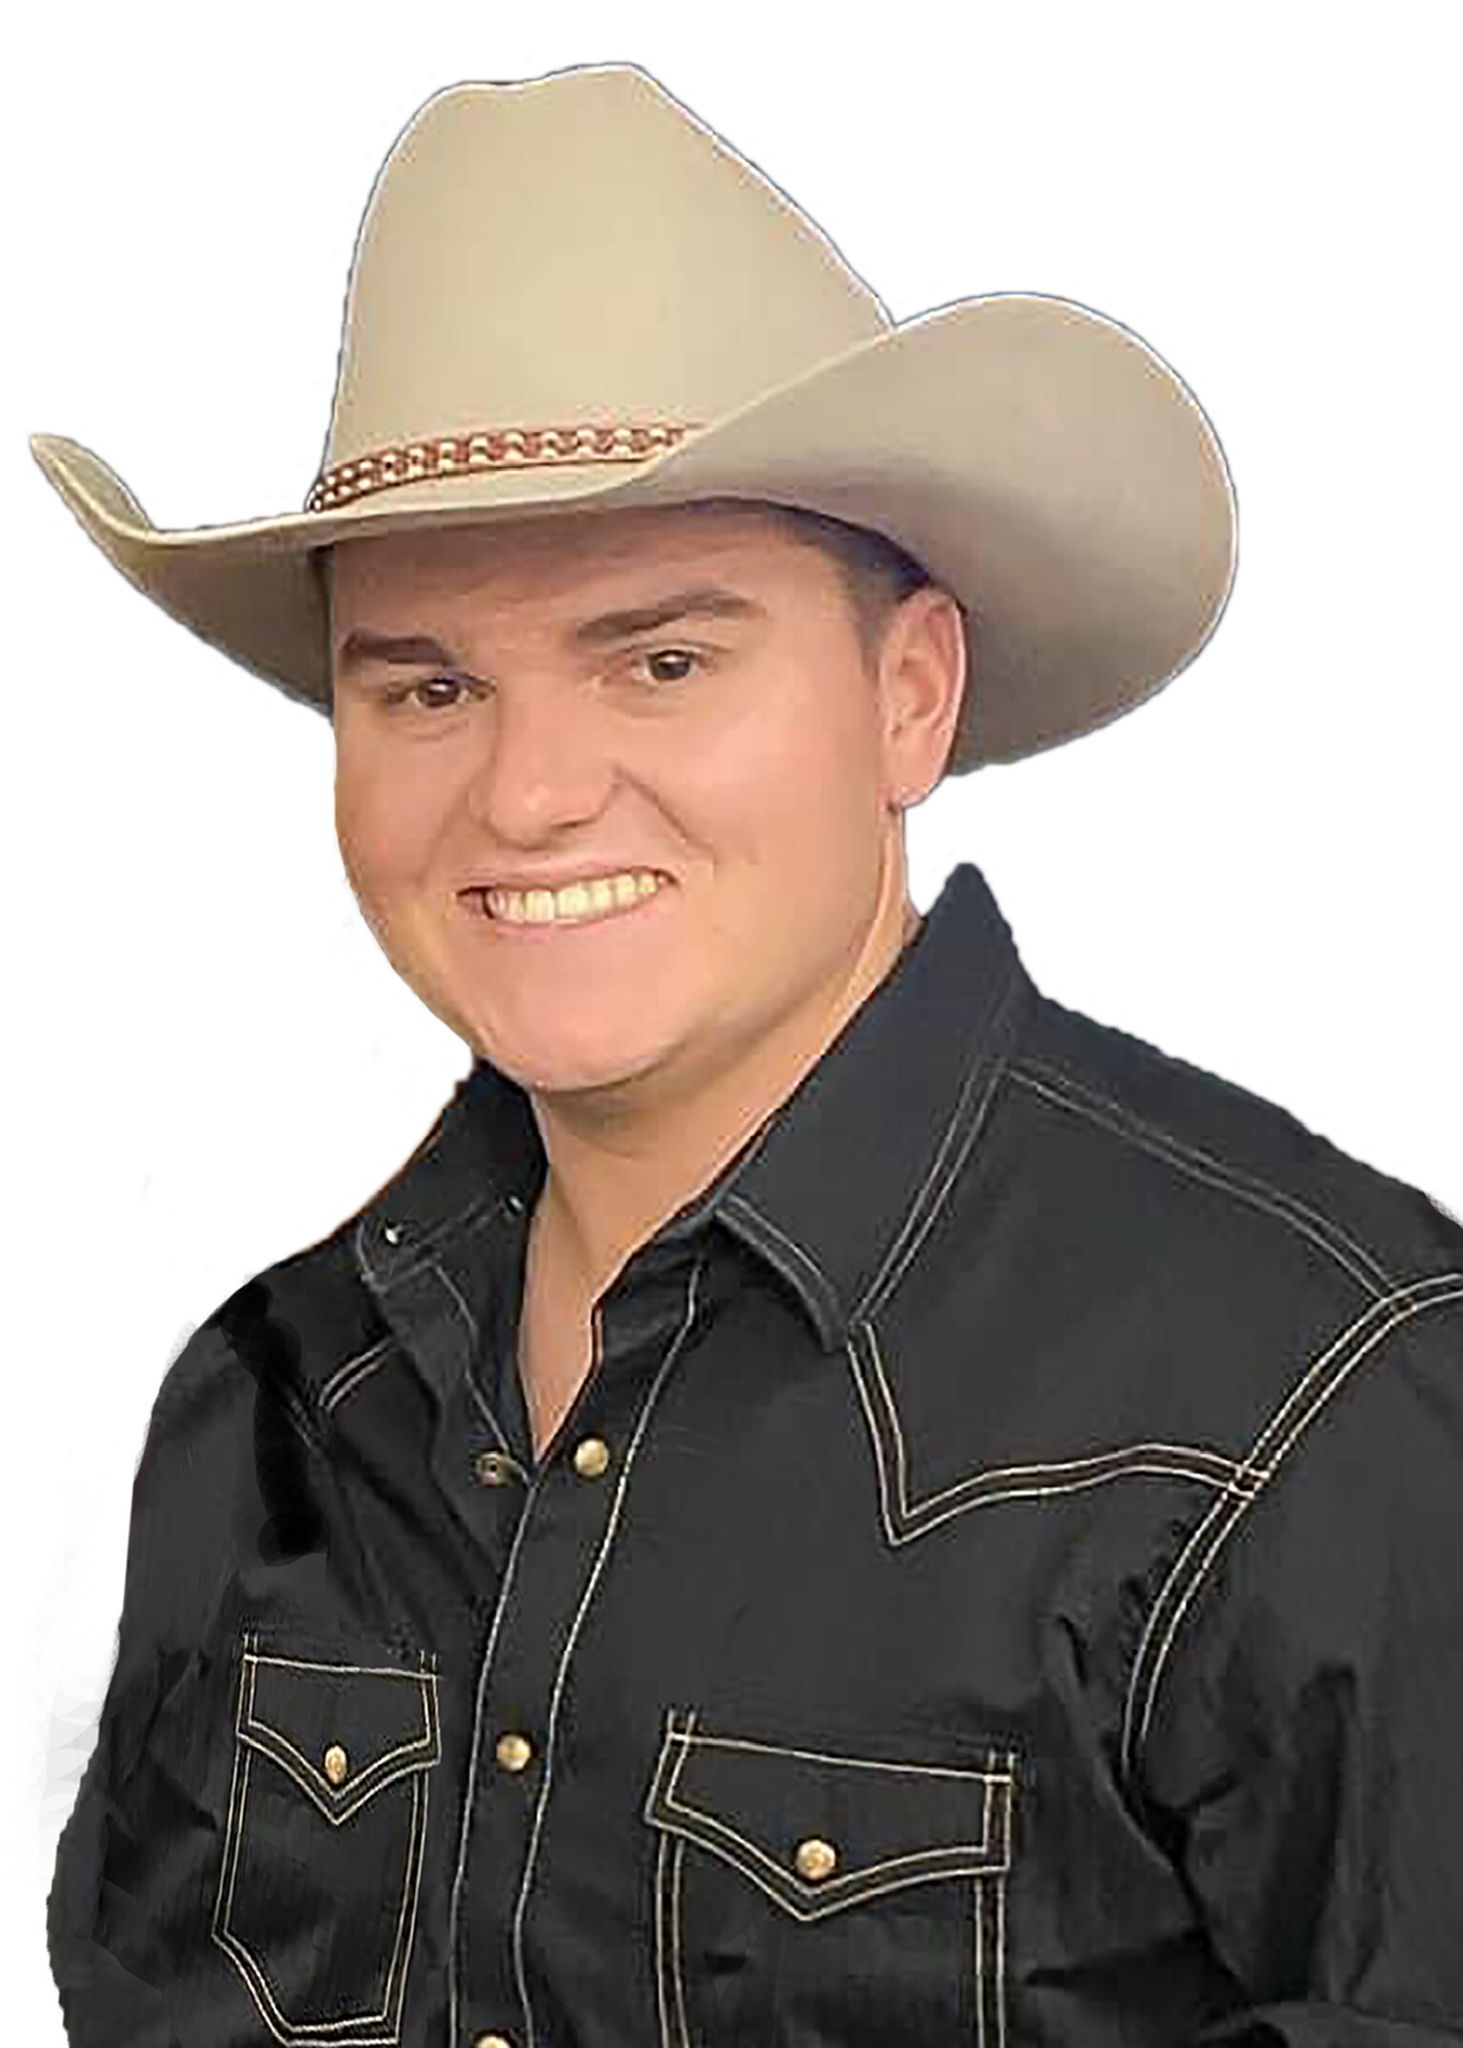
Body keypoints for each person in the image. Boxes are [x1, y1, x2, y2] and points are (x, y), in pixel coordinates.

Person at [32, 61, 1463, 2048]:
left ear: (911, 693)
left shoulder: (1316, 1406)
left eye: (662, 660)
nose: (528, 792)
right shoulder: (271, 1404)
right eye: (427, 688)